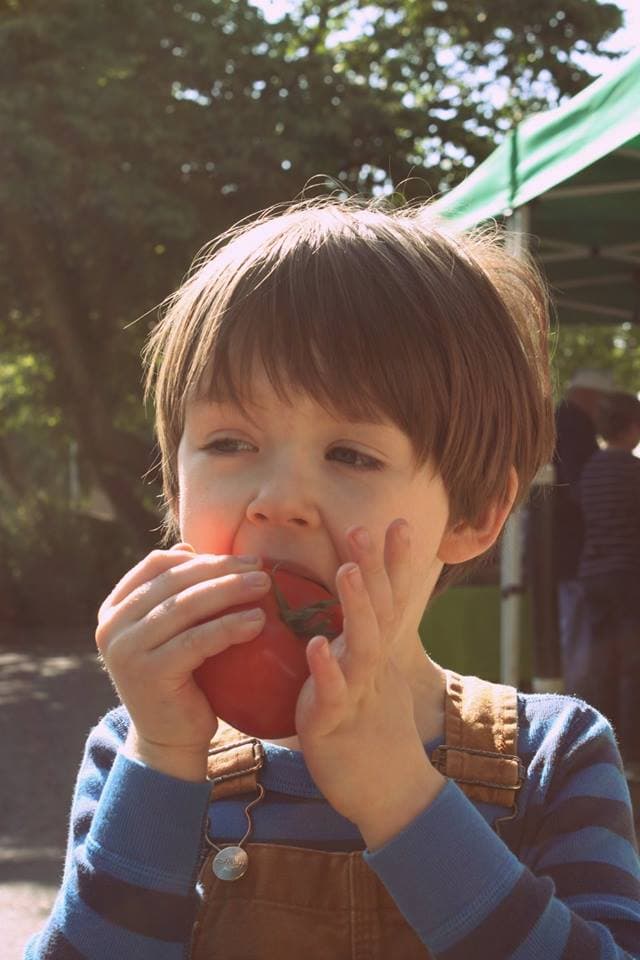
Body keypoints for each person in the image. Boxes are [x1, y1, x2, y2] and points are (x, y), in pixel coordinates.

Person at [26, 199, 640, 959]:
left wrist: (398, 795)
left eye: (351, 454)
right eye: (229, 441)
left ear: (475, 514)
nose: (278, 499)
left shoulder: (552, 760)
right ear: (176, 492)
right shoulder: (139, 752)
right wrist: (160, 766)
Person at [578, 391, 640, 780]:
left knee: (601, 660)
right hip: (627, 574)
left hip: (593, 573)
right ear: (632, 428)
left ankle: (601, 746)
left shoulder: (590, 471)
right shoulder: (633, 472)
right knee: (632, 664)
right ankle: (632, 750)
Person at [552, 368, 615, 692]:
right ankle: (575, 693)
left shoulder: (563, 422)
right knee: (574, 627)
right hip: (570, 548)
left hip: (559, 546)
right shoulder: (576, 427)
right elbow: (578, 488)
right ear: (591, 397)